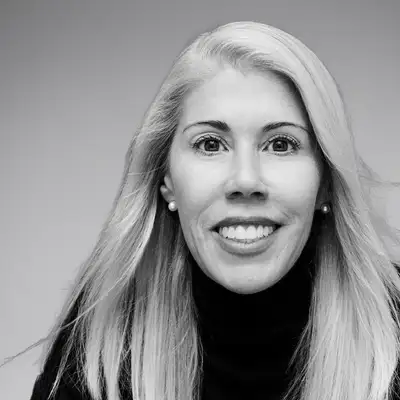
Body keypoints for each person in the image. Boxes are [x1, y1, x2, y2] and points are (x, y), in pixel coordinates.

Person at [25, 21, 400, 400]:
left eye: (281, 144)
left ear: (326, 182)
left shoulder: (393, 328)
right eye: (209, 144)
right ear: (166, 179)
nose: (245, 180)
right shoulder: (103, 338)